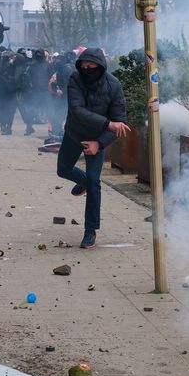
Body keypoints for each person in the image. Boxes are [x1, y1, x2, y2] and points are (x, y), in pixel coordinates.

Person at [56, 48, 131, 249]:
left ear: (101, 66)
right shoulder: (75, 79)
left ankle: (90, 230)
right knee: (63, 170)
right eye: (84, 66)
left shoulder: (113, 85)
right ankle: (83, 182)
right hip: (74, 133)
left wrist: (99, 143)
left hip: (97, 139)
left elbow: (120, 122)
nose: (87, 69)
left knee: (94, 181)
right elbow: (77, 110)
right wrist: (108, 124)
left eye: (91, 66)